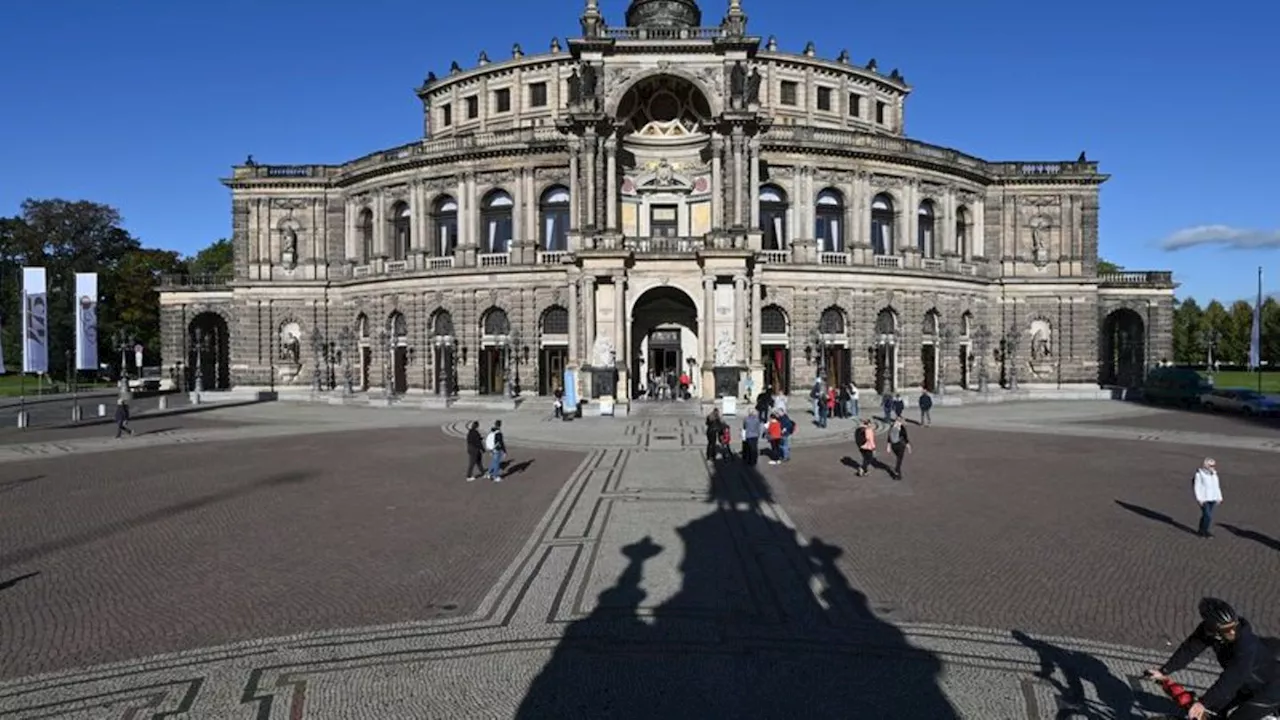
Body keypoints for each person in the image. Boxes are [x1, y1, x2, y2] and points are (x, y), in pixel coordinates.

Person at [1147, 598, 1280, 719]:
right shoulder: (1208, 631)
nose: (1232, 632)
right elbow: (1189, 649)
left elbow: (1231, 679)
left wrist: (1202, 703)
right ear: (1212, 628)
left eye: (1233, 626)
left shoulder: (1246, 645)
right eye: (1226, 629)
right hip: (1246, 684)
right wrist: (1164, 671)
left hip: (1271, 689)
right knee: (1213, 711)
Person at [1194, 457, 1223, 538]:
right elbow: (1197, 487)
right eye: (1211, 465)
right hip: (1204, 498)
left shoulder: (1214, 474)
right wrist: (1199, 499)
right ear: (1206, 465)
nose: (1213, 467)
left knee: (1205, 515)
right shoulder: (1199, 474)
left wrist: (1219, 497)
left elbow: (1217, 486)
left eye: (1214, 465)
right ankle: (1205, 531)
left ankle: (1201, 530)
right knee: (1208, 515)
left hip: (1213, 498)